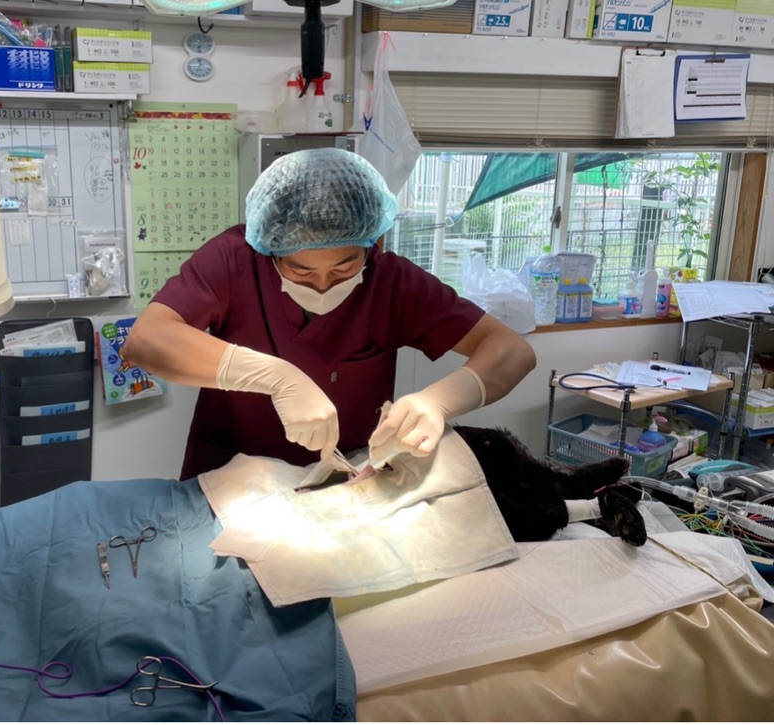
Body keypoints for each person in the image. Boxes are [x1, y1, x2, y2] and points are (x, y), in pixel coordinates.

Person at [123, 148, 536, 480]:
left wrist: (439, 402)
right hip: (231, 476)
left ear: (373, 244)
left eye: (344, 267)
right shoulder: (234, 261)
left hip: (344, 478)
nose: (322, 285)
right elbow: (146, 340)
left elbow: (512, 350)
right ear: (270, 250)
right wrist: (276, 377)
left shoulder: (393, 283)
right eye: (301, 270)